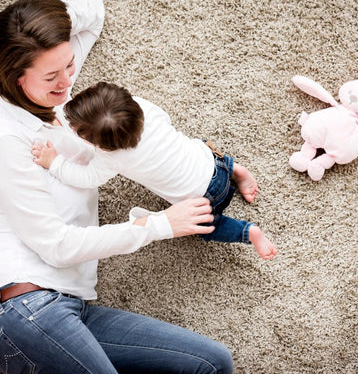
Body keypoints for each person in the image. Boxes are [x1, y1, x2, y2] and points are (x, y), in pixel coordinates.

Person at [0, 0, 234, 373]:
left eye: (70, 65)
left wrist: (38, 27)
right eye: (52, 76)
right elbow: (56, 246)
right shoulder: (5, 139)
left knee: (211, 363)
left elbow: (94, 11)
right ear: (14, 76)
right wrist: (159, 225)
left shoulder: (64, 103)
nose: (67, 81)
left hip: (74, 306)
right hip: (26, 308)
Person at [32, 82, 278, 260]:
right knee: (199, 147)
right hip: (213, 163)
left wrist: (54, 163)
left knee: (208, 227)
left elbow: (85, 178)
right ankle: (237, 171)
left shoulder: (110, 158)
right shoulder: (143, 107)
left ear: (98, 145)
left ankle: (249, 232)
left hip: (201, 201)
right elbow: (166, 120)